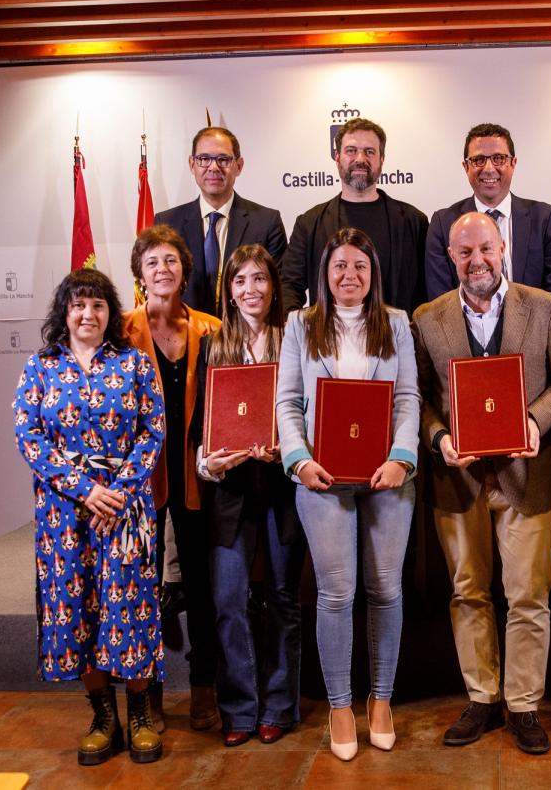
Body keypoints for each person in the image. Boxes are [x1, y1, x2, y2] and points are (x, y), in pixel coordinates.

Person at [412, 212, 551, 755]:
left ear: (503, 246)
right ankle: (482, 697)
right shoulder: (427, 317)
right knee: (468, 591)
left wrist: (536, 419)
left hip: (525, 476)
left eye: (485, 247)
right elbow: (415, 398)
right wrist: (438, 440)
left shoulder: (543, 306)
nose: (476, 260)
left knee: (529, 594)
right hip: (457, 479)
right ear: (450, 256)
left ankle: (524, 705)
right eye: (465, 252)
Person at [276, 227, 420, 761]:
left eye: (360, 265)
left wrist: (401, 459)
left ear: (373, 273)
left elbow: (407, 399)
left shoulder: (397, 323)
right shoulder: (300, 325)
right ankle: (341, 705)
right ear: (324, 273)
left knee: (385, 589)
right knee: (336, 594)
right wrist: (300, 460)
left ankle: (380, 701)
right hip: (322, 478)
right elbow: (288, 402)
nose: (349, 275)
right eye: (339, 266)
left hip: (387, 477)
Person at [12, 268, 166, 765]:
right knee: (79, 613)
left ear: (110, 314)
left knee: (130, 609)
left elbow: (153, 430)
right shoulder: (40, 368)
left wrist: (116, 493)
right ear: (64, 311)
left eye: (98, 305)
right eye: (79, 304)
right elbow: (28, 437)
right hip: (65, 516)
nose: (88, 314)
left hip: (123, 511)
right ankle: (103, 717)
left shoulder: (135, 363)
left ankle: (141, 712)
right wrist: (85, 490)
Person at [193, 245, 306, 748]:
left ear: (273, 286)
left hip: (283, 487)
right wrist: (206, 463)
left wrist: (294, 445)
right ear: (228, 289)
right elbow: (200, 427)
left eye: (259, 279)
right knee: (229, 600)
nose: (251, 290)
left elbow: (311, 410)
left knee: (284, 599)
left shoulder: (295, 341)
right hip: (232, 493)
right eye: (240, 281)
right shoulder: (212, 346)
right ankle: (239, 709)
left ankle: (279, 707)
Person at [123, 225, 222, 733]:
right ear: (140, 273)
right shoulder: (121, 331)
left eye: (171, 261)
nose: (163, 269)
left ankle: (204, 689)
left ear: (185, 270)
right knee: (142, 588)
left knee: (201, 587)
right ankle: (149, 696)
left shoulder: (212, 328)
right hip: (141, 480)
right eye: (153, 262)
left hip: (198, 476)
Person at [280, 117, 429, 315]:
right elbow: (289, 286)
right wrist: (299, 331)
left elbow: (427, 292)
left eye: (369, 151)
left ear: (381, 159)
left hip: (398, 342)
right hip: (329, 343)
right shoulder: (309, 224)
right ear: (337, 157)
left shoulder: (413, 222)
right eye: (351, 151)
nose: (360, 158)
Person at [425, 122, 551, 305]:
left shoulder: (545, 219)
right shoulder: (443, 224)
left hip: (534, 331)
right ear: (465, 167)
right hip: (466, 332)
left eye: (498, 158)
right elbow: (441, 303)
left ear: (513, 163)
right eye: (478, 160)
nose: (488, 168)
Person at [155, 126, 287, 316]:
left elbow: (279, 288)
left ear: (239, 166)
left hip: (247, 337)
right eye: (204, 159)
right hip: (186, 338)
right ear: (192, 165)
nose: (213, 167)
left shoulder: (266, 222)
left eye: (223, 159)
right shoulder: (167, 223)